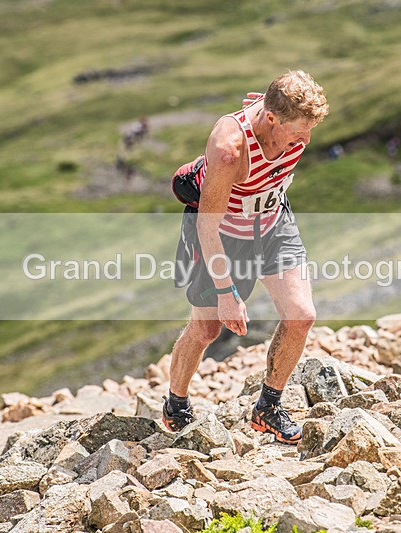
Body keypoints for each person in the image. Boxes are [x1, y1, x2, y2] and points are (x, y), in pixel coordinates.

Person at [163, 70, 329, 444]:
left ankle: (268, 407)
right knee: (207, 329)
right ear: (271, 119)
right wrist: (226, 293)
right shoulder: (229, 150)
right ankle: (176, 402)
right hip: (223, 235)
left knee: (301, 316)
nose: (305, 140)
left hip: (272, 224)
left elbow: (274, 97)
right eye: (298, 131)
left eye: (310, 130)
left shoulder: (284, 115)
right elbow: (207, 226)